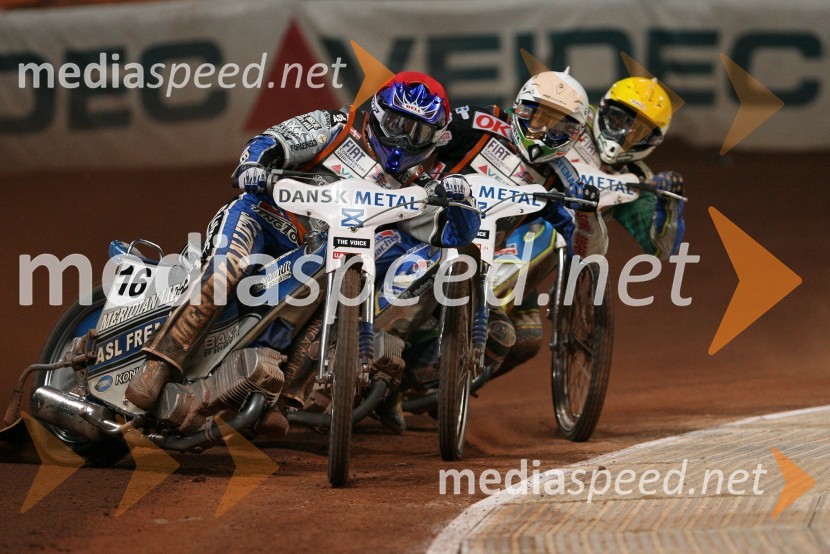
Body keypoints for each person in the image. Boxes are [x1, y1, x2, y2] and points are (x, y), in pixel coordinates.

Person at [125, 72, 480, 426]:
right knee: (226, 266)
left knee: (342, 302)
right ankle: (158, 364)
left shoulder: (415, 185)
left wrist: (463, 205)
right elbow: (273, 140)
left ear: (435, 139)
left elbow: (449, 235)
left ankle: (279, 396)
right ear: (376, 112)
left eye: (416, 131)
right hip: (261, 217)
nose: (402, 137)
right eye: (396, 122)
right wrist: (254, 165)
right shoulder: (335, 127)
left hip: (318, 253)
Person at [499, 76, 687, 375]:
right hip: (504, 216)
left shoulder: (637, 180)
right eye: (618, 119)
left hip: (556, 246)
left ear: (653, 142)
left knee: (526, 339)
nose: (623, 134)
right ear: (601, 109)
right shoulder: (568, 119)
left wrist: (670, 205)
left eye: (637, 132)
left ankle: (455, 387)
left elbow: (661, 249)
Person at [430, 69, 600, 376]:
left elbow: (587, 249)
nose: (544, 131)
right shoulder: (474, 121)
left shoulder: (562, 177)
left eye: (558, 125)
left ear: (574, 134)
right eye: (538, 117)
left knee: (521, 337)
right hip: (425, 232)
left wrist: (587, 214)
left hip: (494, 262)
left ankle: (438, 391)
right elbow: (415, 146)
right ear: (520, 108)